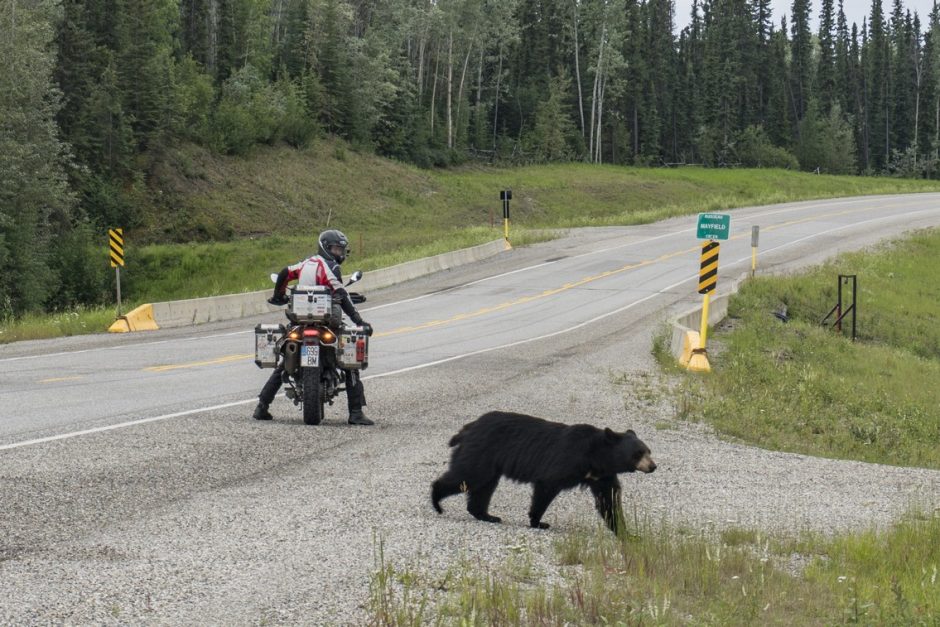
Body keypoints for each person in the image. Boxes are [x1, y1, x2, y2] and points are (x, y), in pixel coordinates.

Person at [254, 229, 375, 425]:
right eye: (336, 249)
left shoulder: (305, 263)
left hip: (300, 320)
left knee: (285, 360)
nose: (339, 254)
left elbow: (285, 272)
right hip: (328, 321)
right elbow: (342, 295)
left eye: (341, 250)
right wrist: (359, 321)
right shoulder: (331, 268)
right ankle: (355, 412)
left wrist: (279, 296)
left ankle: (262, 406)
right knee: (348, 360)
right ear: (325, 248)